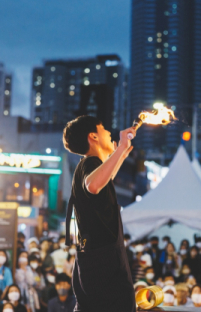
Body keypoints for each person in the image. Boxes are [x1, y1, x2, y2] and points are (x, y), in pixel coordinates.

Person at [62, 116, 136, 311]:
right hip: (103, 267)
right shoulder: (89, 163)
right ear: (93, 136)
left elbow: (105, 179)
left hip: (95, 263)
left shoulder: (85, 166)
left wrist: (121, 154)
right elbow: (93, 185)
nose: (109, 132)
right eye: (104, 129)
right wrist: (120, 148)